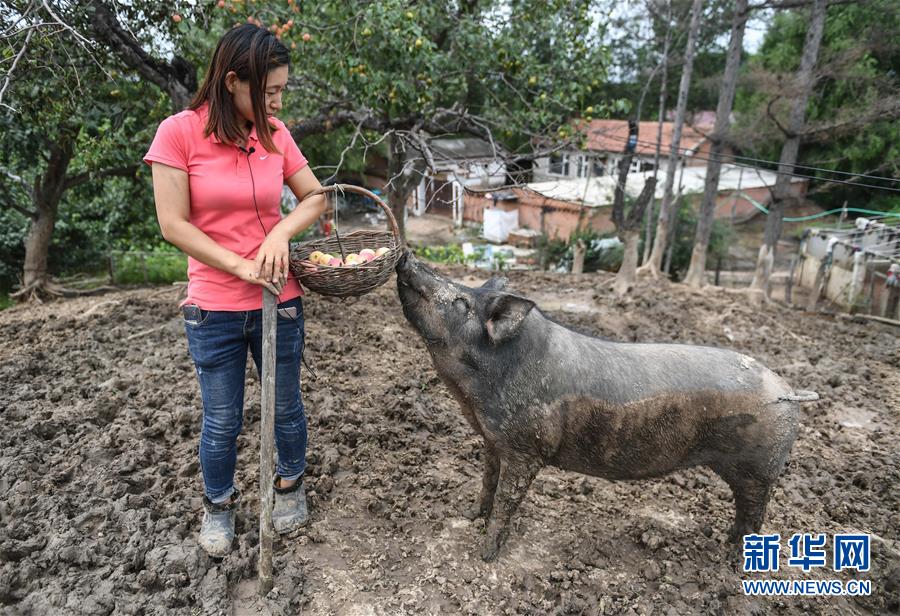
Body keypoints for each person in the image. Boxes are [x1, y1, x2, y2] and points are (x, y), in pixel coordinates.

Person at [143, 24, 326, 557]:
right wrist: (241, 266)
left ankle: (290, 484)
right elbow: (173, 224)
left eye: (281, 92)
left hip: (279, 300)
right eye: (268, 92)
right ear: (231, 82)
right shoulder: (178, 134)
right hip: (213, 308)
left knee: (285, 407)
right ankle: (218, 506)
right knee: (222, 419)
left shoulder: (275, 133)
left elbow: (315, 197)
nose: (277, 103)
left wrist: (280, 233)